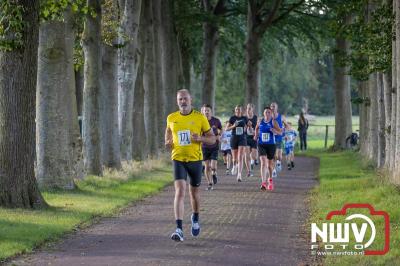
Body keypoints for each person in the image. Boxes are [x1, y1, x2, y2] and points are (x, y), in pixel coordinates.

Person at [165, 89, 215, 242]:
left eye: (185, 98)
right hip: (178, 159)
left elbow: (212, 139)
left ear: (191, 100)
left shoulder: (200, 118)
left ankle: (195, 217)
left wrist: (200, 138)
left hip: (195, 160)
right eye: (180, 99)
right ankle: (179, 229)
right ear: (177, 101)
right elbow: (168, 133)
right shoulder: (171, 117)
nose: (183, 101)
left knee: (194, 193)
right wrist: (167, 143)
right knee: (180, 191)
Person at [254, 107, 282, 191]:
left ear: (271, 114)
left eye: (269, 112)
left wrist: (274, 131)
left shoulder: (273, 122)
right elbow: (256, 128)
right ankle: (263, 183)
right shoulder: (260, 121)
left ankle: (270, 180)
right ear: (263, 113)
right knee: (263, 162)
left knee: (270, 166)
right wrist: (256, 135)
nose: (267, 114)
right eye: (266, 112)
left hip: (271, 145)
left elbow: (280, 132)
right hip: (261, 144)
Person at [201, 104, 222, 191]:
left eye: (208, 110)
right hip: (204, 146)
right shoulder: (201, 121)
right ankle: (210, 183)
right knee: (207, 166)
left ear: (211, 111)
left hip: (214, 146)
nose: (206, 112)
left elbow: (221, 129)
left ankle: (214, 174)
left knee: (213, 166)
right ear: (202, 111)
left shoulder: (216, 121)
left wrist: (219, 136)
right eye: (205, 110)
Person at [226, 105, 248, 182]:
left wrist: (249, 127)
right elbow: (226, 129)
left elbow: (248, 127)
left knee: (240, 156)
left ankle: (239, 174)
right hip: (234, 138)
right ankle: (234, 165)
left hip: (242, 138)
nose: (238, 111)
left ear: (241, 110)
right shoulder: (232, 118)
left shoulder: (245, 118)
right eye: (236, 109)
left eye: (239, 109)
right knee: (235, 158)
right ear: (235, 110)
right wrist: (233, 126)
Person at [270, 102, 284, 176]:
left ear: (277, 108)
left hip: (279, 138)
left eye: (274, 106)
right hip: (271, 139)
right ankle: (274, 170)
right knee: (273, 155)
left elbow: (285, 127)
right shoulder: (268, 116)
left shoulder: (281, 117)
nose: (272, 108)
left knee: (279, 156)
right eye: (271, 106)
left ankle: (279, 162)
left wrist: (283, 131)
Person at [244, 103, 258, 177]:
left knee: (254, 156)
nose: (248, 110)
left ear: (253, 109)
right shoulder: (244, 118)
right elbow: (243, 130)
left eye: (249, 108)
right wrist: (246, 126)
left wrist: (254, 132)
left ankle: (255, 159)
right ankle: (249, 171)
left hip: (254, 138)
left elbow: (258, 128)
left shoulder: (256, 118)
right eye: (247, 108)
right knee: (246, 155)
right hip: (246, 138)